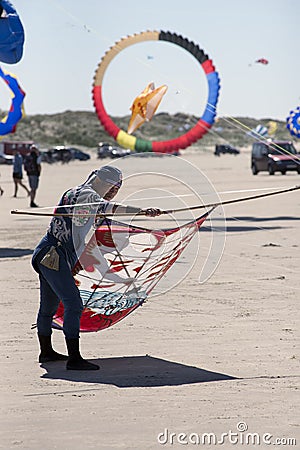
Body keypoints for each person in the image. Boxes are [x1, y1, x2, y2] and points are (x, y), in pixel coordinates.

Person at [32, 166, 162, 370]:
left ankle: (46, 352)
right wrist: (142, 212)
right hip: (53, 255)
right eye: (112, 187)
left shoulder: (75, 192)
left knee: (48, 307)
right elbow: (107, 208)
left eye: (116, 189)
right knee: (73, 304)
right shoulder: (86, 195)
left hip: (51, 255)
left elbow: (102, 219)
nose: (113, 192)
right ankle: (74, 358)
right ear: (101, 181)